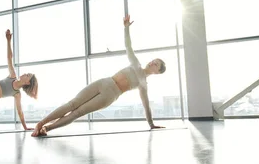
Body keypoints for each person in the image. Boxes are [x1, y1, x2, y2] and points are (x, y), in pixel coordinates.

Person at [32, 15, 165, 137]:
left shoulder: (143, 84)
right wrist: (126, 28)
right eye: (154, 60)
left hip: (110, 95)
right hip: (105, 82)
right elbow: (128, 46)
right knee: (72, 104)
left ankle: (47, 129)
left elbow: (146, 106)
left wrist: (151, 124)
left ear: (157, 72)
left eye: (156, 64)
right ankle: (40, 123)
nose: (153, 62)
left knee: (77, 113)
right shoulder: (136, 63)